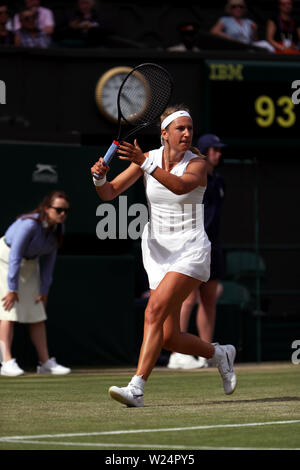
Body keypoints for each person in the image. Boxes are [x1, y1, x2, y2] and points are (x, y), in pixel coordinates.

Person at [91, 106, 237, 407]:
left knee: (153, 310)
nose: (186, 133)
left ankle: (137, 388)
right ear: (165, 134)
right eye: (180, 129)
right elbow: (110, 193)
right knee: (170, 337)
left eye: (189, 129)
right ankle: (220, 353)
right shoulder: (150, 158)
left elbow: (181, 187)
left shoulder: (196, 164)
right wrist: (100, 179)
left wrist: (145, 164)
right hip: (157, 251)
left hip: (190, 250)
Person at [168, 134, 226, 370]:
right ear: (203, 152)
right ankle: (177, 353)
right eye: (214, 149)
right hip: (191, 243)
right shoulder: (193, 177)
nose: (218, 154)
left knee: (209, 300)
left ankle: (205, 351)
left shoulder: (220, 181)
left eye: (219, 150)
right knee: (188, 298)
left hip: (214, 245)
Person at [0, 190, 71, 377]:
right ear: (47, 208)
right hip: (5, 260)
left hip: (30, 265)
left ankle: (45, 362)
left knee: (37, 311)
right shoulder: (29, 225)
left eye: (66, 211)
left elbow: (49, 263)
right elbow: (14, 256)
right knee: (8, 309)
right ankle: (6, 362)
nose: (62, 214)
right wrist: (12, 288)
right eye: (58, 210)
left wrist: (43, 290)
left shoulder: (58, 229)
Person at [210, 0, 275, 52]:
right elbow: (214, 32)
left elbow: (255, 41)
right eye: (234, 7)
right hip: (232, 47)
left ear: (244, 9)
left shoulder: (249, 22)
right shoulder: (225, 20)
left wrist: (255, 32)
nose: (238, 9)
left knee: (265, 45)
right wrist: (228, 37)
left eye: (241, 7)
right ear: (230, 9)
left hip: (247, 48)